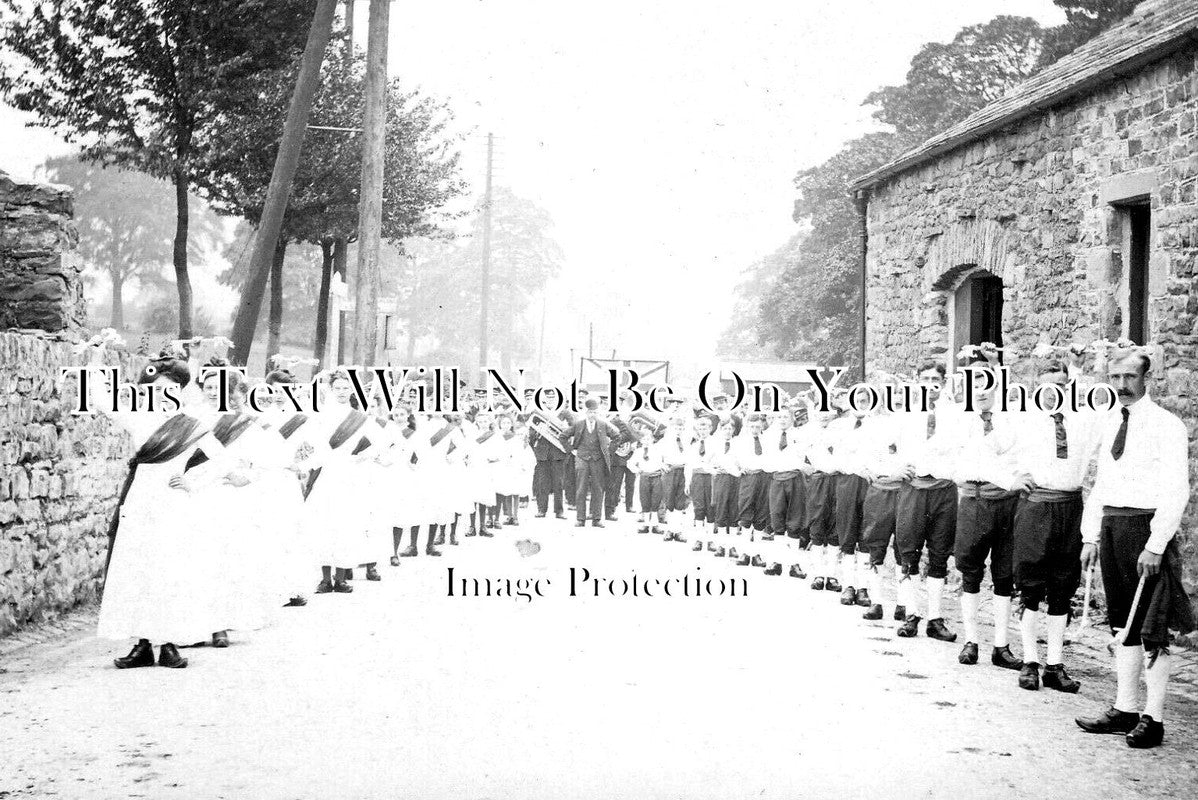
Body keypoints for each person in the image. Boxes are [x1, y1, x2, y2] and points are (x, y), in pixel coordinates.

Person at [1075, 349, 1193, 749]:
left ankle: (1153, 718)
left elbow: (1177, 489)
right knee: (1122, 623)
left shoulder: (1167, 425)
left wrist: (1156, 544)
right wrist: (1091, 535)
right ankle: (1124, 708)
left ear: (1147, 378)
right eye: (1115, 377)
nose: (1122, 385)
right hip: (1113, 527)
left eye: (1129, 377)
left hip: (1146, 531)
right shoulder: (1110, 422)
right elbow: (1102, 482)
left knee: (1152, 628)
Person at [95, 346, 220, 669]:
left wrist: (194, 482)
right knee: (139, 569)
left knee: (170, 571)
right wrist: (97, 357)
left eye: (169, 389)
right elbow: (100, 399)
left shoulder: (191, 426)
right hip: (141, 503)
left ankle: (169, 643)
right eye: (155, 389)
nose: (162, 395)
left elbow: (222, 460)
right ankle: (142, 645)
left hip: (173, 506)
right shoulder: (140, 419)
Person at [1011, 359, 1102, 693]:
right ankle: (1030, 661)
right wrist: (1012, 476)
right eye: (1047, 389)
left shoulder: (1083, 421)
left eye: (1061, 387)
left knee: (1063, 586)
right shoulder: (1024, 421)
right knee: (1032, 585)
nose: (1054, 395)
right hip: (1036, 507)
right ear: (1038, 389)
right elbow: (988, 449)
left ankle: (1054, 664)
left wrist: (1079, 368)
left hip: (1070, 507)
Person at [951, 381, 1026, 670]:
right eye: (975, 385)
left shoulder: (1012, 418)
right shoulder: (960, 419)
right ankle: (971, 641)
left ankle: (1001, 646)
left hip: (1007, 502)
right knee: (970, 570)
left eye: (987, 385)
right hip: (974, 500)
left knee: (1004, 574)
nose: (981, 392)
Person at [895, 362, 960, 640]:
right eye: (925, 378)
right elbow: (884, 447)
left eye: (936, 379)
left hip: (943, 490)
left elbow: (965, 446)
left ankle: (934, 618)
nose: (930, 383)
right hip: (914, 489)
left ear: (943, 383)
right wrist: (896, 467)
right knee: (907, 551)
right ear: (917, 381)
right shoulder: (905, 414)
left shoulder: (956, 414)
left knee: (939, 554)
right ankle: (912, 614)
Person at [565, 398, 616, 528]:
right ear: (586, 413)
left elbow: (617, 436)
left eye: (594, 412)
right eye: (589, 412)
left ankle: (597, 518)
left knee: (598, 488)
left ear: (597, 413)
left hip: (597, 459)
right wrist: (571, 450)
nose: (592, 415)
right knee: (581, 488)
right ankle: (580, 519)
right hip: (582, 458)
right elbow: (563, 436)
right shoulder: (578, 424)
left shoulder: (603, 425)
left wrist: (608, 451)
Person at [730, 413, 770, 567]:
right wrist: (738, 470)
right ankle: (745, 553)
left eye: (758, 426)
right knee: (746, 514)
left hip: (764, 477)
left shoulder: (768, 440)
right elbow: (732, 459)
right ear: (747, 426)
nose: (755, 429)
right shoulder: (740, 441)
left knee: (761, 515)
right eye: (752, 426)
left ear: (762, 426)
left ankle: (756, 555)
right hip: (748, 478)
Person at [658, 415, 692, 543]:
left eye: (681, 428)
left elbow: (690, 458)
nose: (679, 430)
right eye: (677, 427)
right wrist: (662, 465)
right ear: (672, 428)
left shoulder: (687, 441)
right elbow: (656, 456)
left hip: (682, 471)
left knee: (680, 500)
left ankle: (677, 531)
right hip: (670, 471)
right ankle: (670, 530)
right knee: (669, 499)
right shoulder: (665, 441)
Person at [686, 415, 716, 552]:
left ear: (710, 428)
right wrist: (687, 482)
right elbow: (689, 465)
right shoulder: (694, 446)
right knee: (698, 507)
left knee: (711, 507)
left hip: (710, 478)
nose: (702, 431)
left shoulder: (716, 444)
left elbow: (716, 462)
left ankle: (710, 540)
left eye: (705, 428)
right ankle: (698, 539)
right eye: (700, 428)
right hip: (697, 477)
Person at [529, 412, 568, 519]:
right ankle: (541, 509)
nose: (551, 400)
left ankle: (559, 511)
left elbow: (571, 427)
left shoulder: (564, 413)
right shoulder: (539, 413)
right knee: (542, 483)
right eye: (548, 398)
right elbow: (531, 432)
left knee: (558, 483)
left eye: (553, 397)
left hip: (558, 453)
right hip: (542, 454)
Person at [628, 424, 666, 534]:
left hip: (656, 477)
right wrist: (637, 470)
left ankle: (655, 525)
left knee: (655, 500)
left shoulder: (657, 450)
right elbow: (630, 463)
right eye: (644, 439)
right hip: (644, 477)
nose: (646, 441)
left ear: (652, 439)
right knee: (644, 500)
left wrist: (663, 467)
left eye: (648, 439)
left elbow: (662, 462)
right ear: (641, 440)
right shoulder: (638, 452)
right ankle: (645, 524)